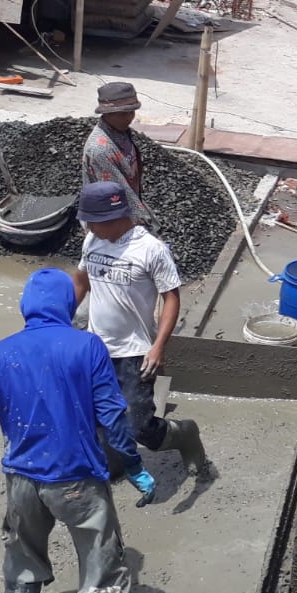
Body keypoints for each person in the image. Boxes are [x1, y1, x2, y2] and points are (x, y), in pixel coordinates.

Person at [0, 269, 156, 593]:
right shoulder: (87, 347)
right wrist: (133, 464)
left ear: (26, 306)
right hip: (79, 483)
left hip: (22, 485)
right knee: (102, 577)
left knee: (21, 567)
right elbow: (113, 415)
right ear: (68, 306)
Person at [72, 181, 209, 476]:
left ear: (115, 217)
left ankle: (184, 434)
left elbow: (171, 297)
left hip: (135, 351)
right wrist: (57, 320)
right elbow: (81, 282)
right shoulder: (92, 241)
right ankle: (113, 463)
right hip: (95, 348)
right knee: (91, 413)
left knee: (139, 426)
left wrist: (158, 346)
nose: (89, 228)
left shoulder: (151, 250)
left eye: (93, 222)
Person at [82, 81, 153, 226]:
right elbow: (120, 194)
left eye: (131, 112)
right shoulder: (101, 150)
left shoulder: (120, 130)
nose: (129, 118)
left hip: (127, 209)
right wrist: (143, 223)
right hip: (111, 223)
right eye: (122, 114)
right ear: (106, 113)